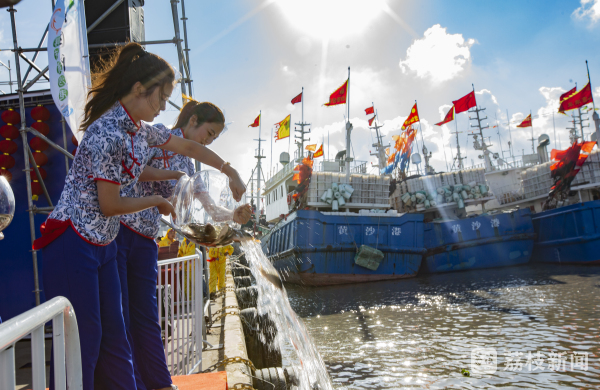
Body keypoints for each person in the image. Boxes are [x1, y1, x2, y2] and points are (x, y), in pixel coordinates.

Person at [33, 42, 246, 390]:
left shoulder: (138, 131)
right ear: (137, 89)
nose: (164, 106)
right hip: (73, 238)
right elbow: (110, 203)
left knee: (115, 333)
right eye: (160, 98)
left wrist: (228, 169)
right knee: (84, 340)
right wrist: (156, 204)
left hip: (102, 242)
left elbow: (189, 148)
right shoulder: (108, 132)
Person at [116, 99, 252, 390]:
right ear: (192, 121)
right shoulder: (158, 136)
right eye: (209, 133)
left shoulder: (189, 164)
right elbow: (132, 171)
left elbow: (212, 210)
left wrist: (234, 216)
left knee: (146, 314)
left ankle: (159, 382)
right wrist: (177, 177)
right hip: (121, 231)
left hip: (146, 238)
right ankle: (134, 383)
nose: (208, 140)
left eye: (214, 138)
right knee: (123, 315)